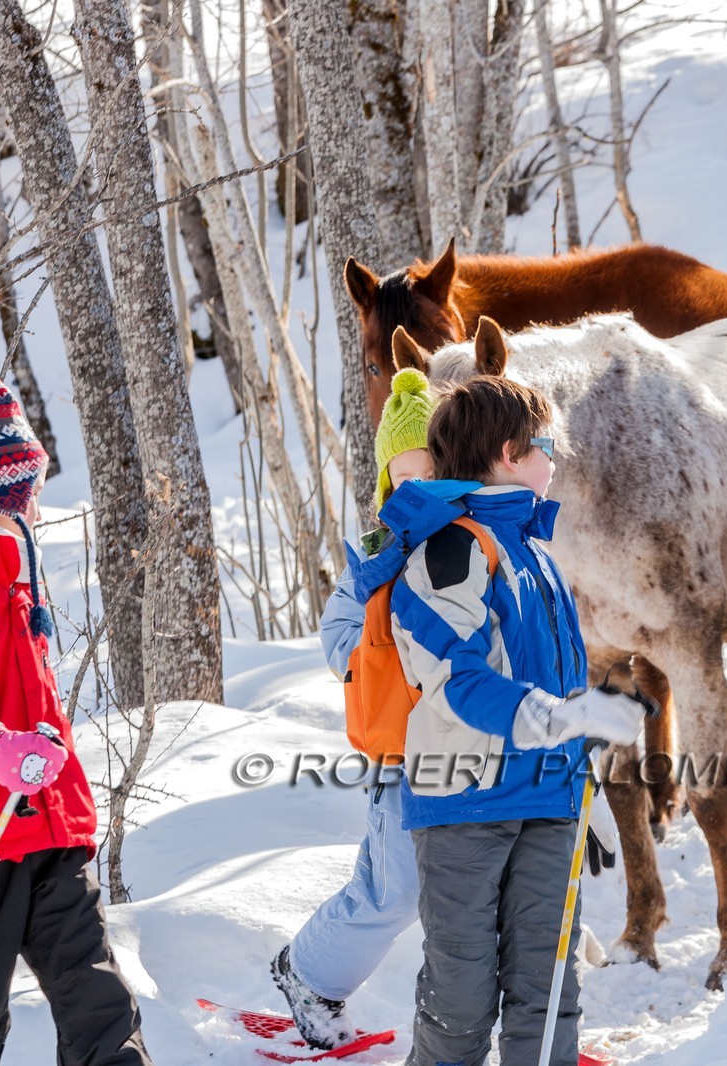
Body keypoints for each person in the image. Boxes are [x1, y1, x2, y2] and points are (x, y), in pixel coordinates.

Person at [388, 375, 645, 1066]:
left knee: (550, 990)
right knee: (460, 1000)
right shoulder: (450, 554)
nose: (554, 457)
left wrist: (584, 786)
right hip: (464, 806)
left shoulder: (535, 554)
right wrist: (558, 717)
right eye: (544, 445)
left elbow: (560, 685)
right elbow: (458, 681)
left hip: (549, 803)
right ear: (508, 452)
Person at [0, 349, 151, 1065]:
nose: (34, 499)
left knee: (101, 1007)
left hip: (47, 821)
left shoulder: (14, 564)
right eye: (24, 483)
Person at [270, 367, 438, 1049]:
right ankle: (308, 973)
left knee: (446, 887)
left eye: (429, 470)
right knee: (395, 889)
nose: (417, 486)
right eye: (404, 474)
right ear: (386, 483)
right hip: (399, 755)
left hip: (464, 749)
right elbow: (337, 633)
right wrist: (371, 652)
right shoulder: (377, 554)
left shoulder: (470, 540)